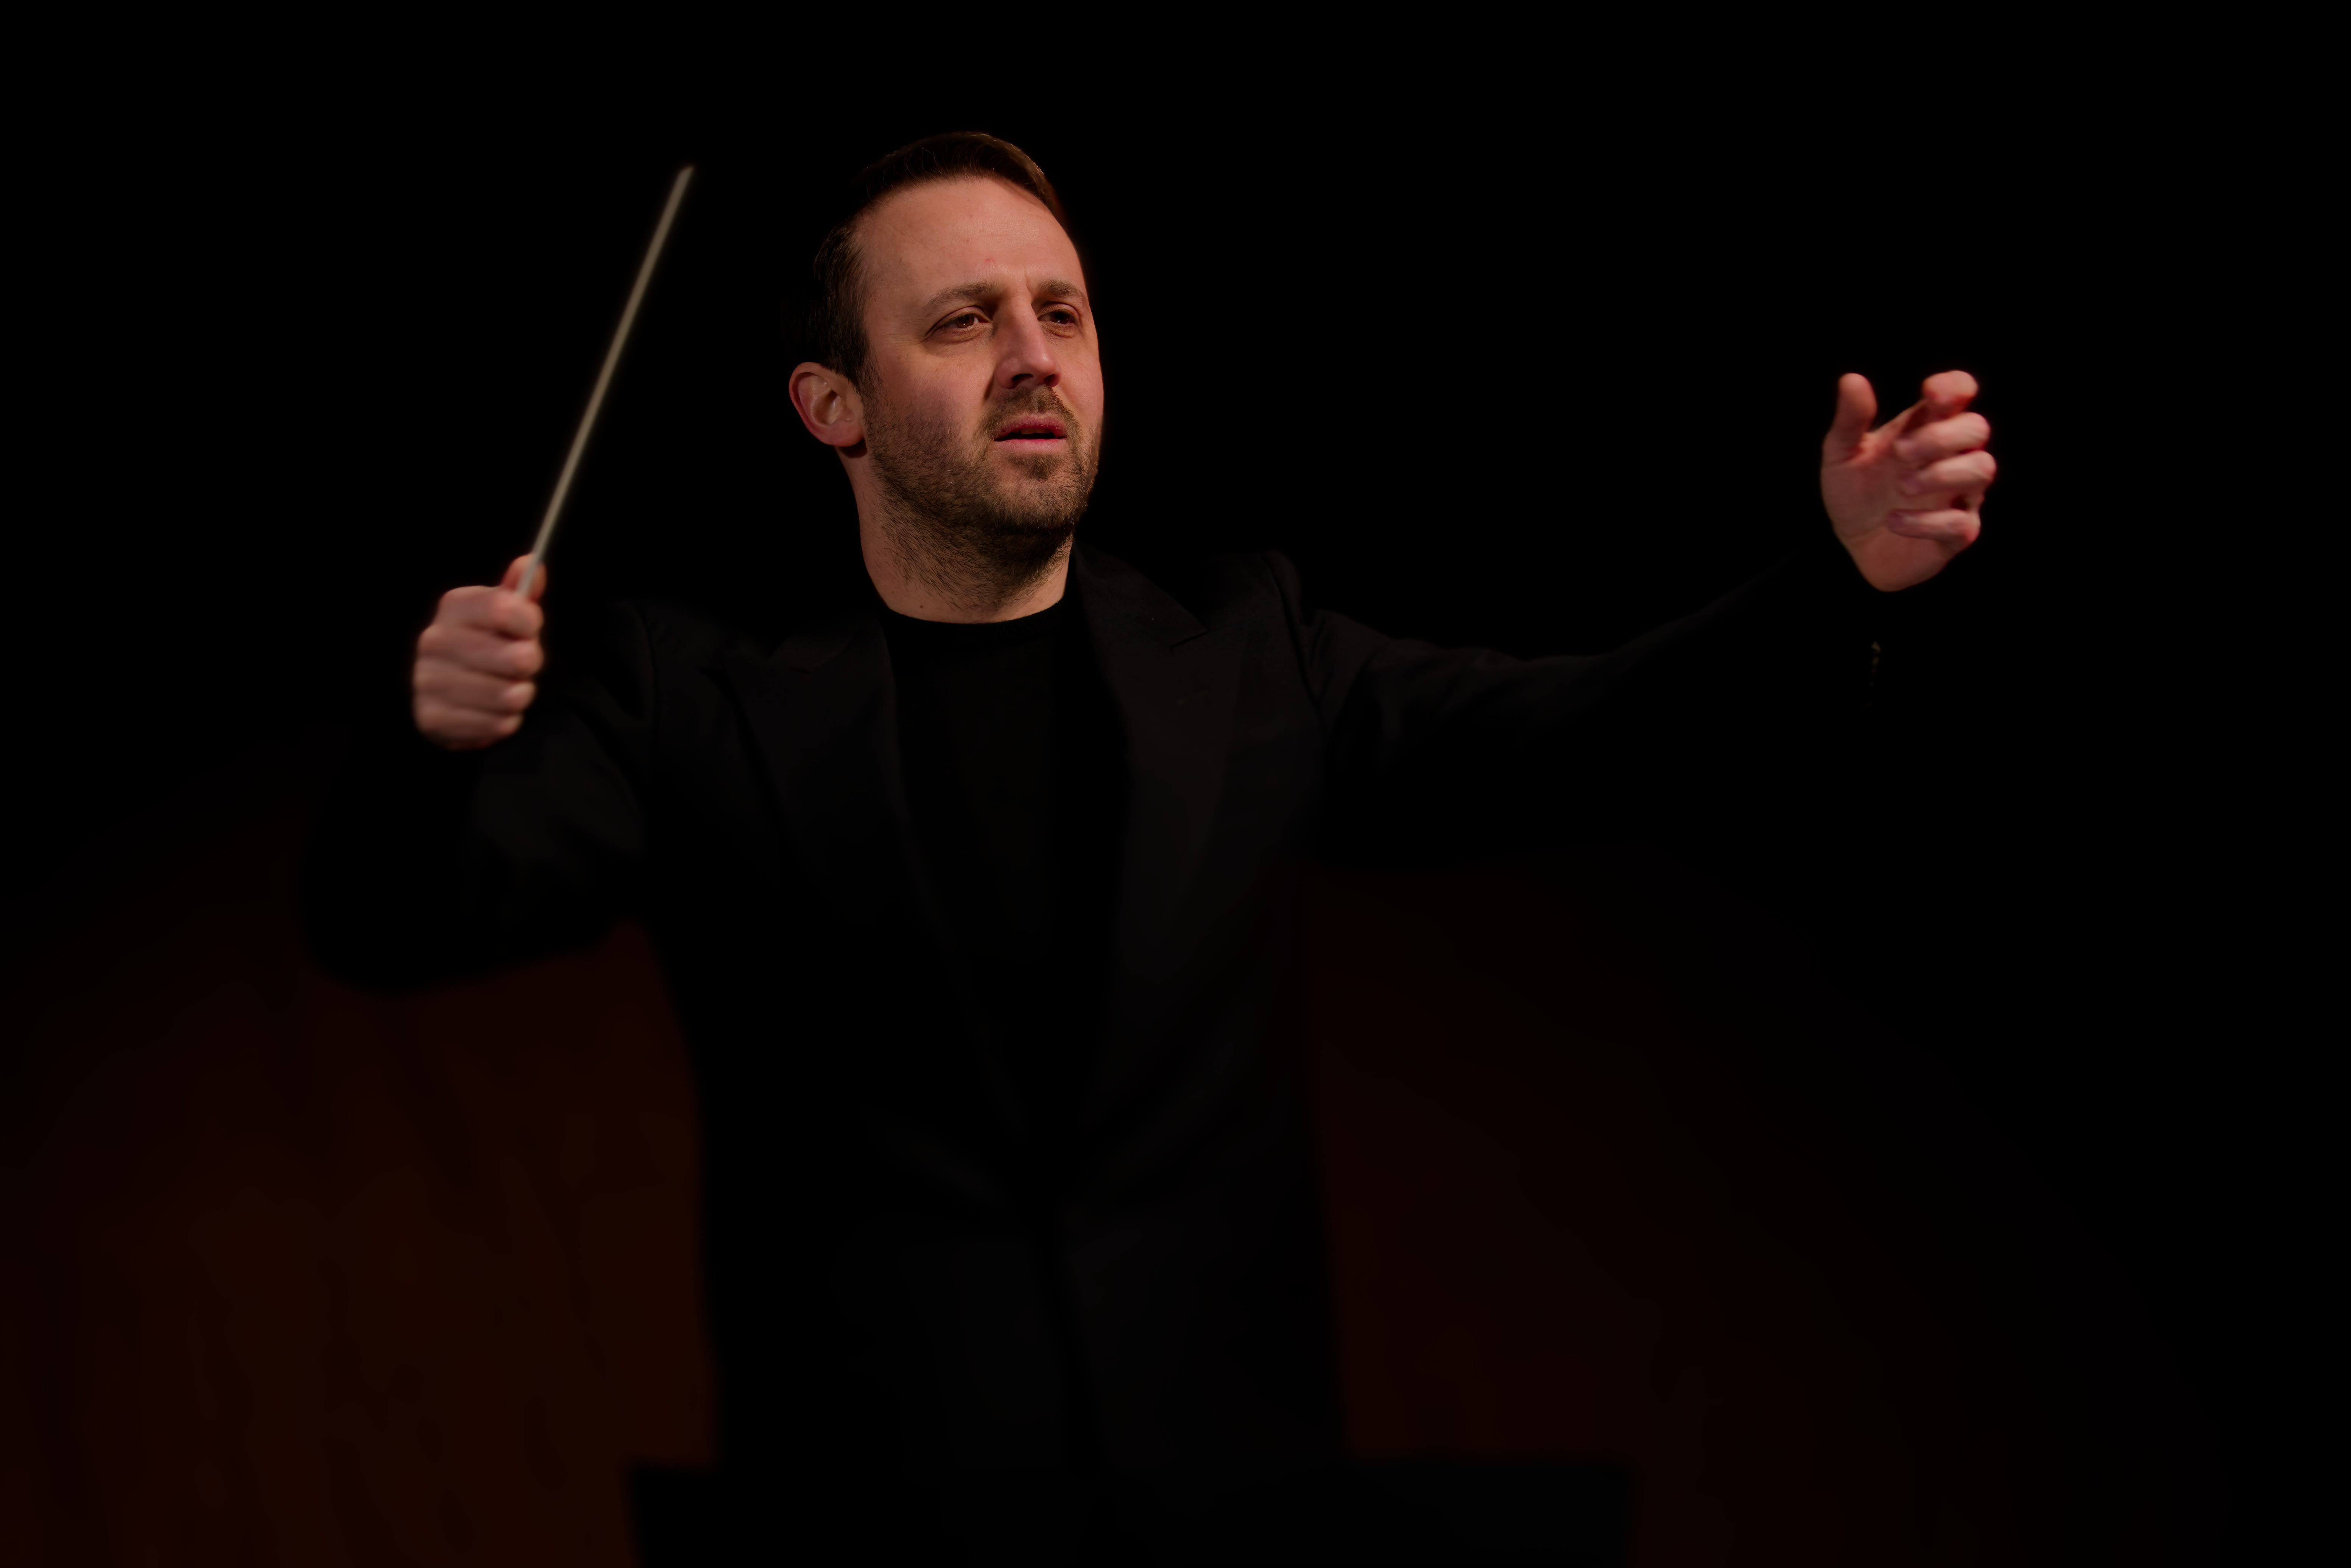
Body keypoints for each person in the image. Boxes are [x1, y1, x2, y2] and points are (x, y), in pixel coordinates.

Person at [301, 131, 1993, 1563]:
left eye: (1063, 312)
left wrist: (1834, 585)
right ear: (834, 405)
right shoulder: (689, 695)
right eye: (962, 321)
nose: (1034, 353)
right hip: (862, 1509)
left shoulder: (1245, 650)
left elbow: (1583, 728)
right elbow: (403, 917)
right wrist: (432, 736)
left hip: (1227, 1505)